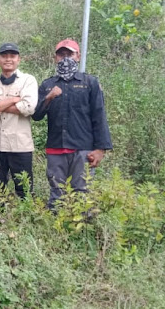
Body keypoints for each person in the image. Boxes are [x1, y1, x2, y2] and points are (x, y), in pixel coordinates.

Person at [32, 39, 112, 210]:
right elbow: (36, 115)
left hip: (82, 150)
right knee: (57, 194)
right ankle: (56, 233)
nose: (66, 58)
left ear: (78, 56)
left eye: (70, 54)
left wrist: (100, 149)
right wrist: (49, 97)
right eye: (62, 54)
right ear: (55, 58)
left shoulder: (90, 83)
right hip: (55, 148)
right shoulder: (48, 85)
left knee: (81, 193)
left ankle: (80, 233)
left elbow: (99, 115)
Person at [0, 43, 38, 205]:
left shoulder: (28, 81)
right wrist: (15, 100)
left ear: (18, 60)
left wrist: (0, 105)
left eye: (12, 56)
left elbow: (29, 107)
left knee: (24, 189)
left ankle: (25, 222)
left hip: (20, 145)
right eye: (4, 56)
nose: (8, 59)